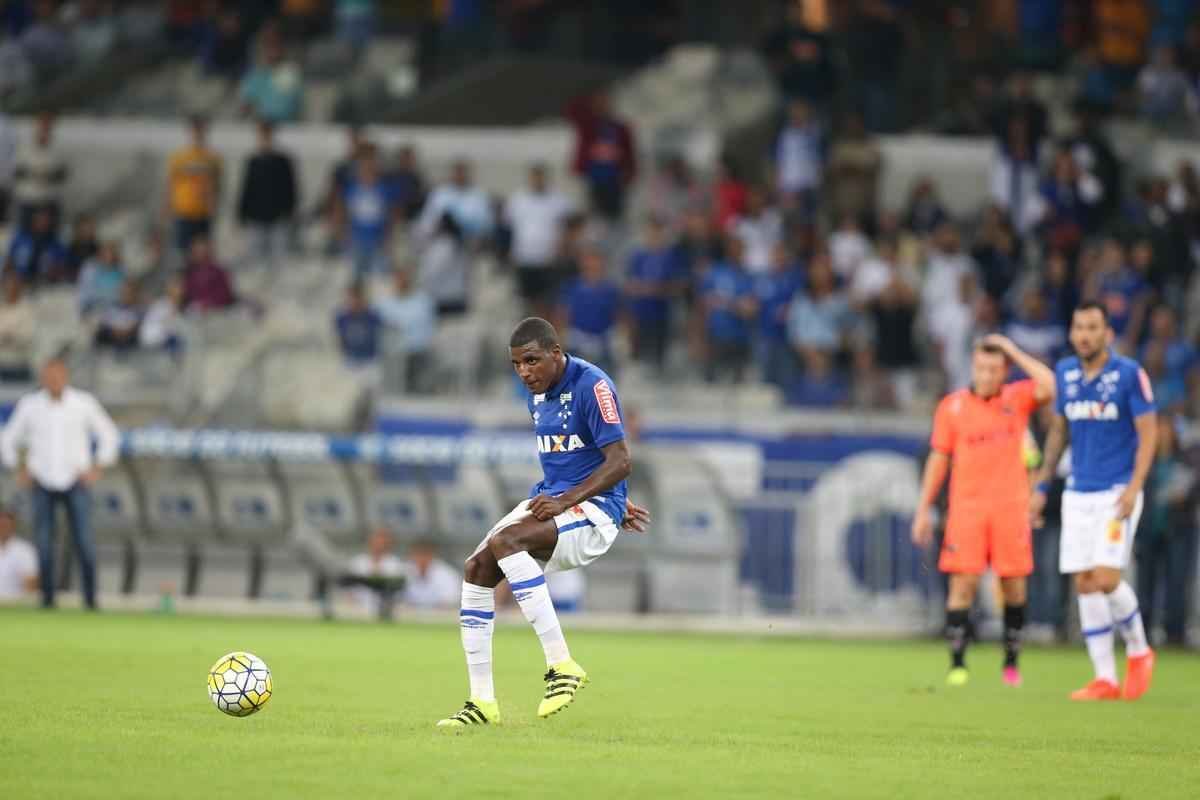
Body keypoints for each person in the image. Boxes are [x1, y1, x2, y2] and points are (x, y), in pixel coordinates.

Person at [436, 317, 650, 727]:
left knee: (508, 542)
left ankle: (562, 664)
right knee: (476, 568)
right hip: (558, 500)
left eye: (531, 360)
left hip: (588, 512)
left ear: (556, 352)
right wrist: (569, 497)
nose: (524, 372)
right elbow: (577, 457)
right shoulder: (535, 395)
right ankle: (482, 703)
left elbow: (621, 460)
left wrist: (590, 501)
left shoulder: (593, 385)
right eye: (516, 364)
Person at [1029, 302, 1158, 701]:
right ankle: (1105, 677)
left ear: (1108, 334)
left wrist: (1135, 485)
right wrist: (1041, 484)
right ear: (1071, 334)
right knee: (1085, 583)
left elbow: (1149, 433)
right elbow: (1058, 432)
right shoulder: (1066, 374)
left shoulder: (1129, 375)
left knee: (1106, 576)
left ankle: (1139, 651)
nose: (1085, 334)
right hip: (1077, 491)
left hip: (1116, 491)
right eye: (1079, 327)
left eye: (1092, 327)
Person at [912, 335, 1056, 687]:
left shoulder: (1016, 399)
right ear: (972, 367)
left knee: (1014, 588)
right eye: (981, 367)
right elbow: (938, 458)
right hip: (967, 510)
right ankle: (958, 664)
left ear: (1004, 370)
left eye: (995, 368)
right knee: (963, 584)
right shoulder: (952, 407)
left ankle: (1011, 663)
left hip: (1010, 510)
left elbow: (1050, 386)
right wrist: (923, 508)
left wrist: (1013, 350)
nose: (987, 375)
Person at [0, 357, 120, 610]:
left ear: (65, 376)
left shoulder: (83, 403)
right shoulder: (30, 405)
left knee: (84, 541)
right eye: (49, 376)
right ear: (43, 378)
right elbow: (8, 437)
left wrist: (98, 466)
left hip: (75, 480)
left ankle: (90, 598)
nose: (53, 380)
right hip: (42, 480)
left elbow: (108, 433)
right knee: (44, 543)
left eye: (57, 375)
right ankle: (48, 599)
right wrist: (18, 468)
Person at [1135, 414, 1198, 647]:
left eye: (1165, 429)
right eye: (1158, 430)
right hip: (1149, 529)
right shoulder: (1145, 462)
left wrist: (1184, 495)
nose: (1162, 435)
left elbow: (1192, 490)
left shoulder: (1187, 459)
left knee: (1177, 582)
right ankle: (1142, 632)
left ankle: (1175, 632)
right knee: (1145, 583)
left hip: (1178, 530)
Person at [505, 163, 572, 317]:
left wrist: (563, 245)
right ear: (530, 179)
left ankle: (545, 333)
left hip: (547, 260)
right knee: (525, 301)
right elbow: (508, 228)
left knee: (546, 301)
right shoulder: (517, 200)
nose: (537, 180)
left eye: (540, 177)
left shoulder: (558, 200)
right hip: (524, 259)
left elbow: (570, 226)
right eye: (534, 177)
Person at [237, 120, 297, 272]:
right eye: (262, 134)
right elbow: (247, 189)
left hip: (277, 217)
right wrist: (242, 212)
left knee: (278, 260)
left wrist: (289, 211)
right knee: (255, 260)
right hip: (256, 217)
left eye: (267, 134)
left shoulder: (282, 161)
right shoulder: (253, 161)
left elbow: (290, 189)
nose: (264, 138)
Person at [568, 92, 637, 221]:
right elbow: (573, 112)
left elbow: (629, 153)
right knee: (592, 217)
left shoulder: (620, 127)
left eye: (605, 102)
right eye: (599, 103)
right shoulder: (588, 125)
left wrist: (630, 173)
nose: (603, 106)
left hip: (614, 180)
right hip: (592, 179)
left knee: (615, 217)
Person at [338, 144, 403, 279]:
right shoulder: (351, 189)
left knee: (379, 279)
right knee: (355, 279)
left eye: (370, 168)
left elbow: (391, 216)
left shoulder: (384, 190)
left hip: (378, 241)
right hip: (356, 241)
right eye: (363, 168)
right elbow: (344, 214)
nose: (367, 171)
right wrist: (344, 235)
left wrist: (388, 239)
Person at [558, 247, 621, 375]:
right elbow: (562, 314)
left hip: (603, 339)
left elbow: (619, 316)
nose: (592, 265)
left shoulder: (611, 289)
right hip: (577, 338)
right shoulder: (571, 287)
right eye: (589, 261)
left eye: (596, 261)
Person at [166, 116, 222, 252]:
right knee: (182, 251)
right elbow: (170, 184)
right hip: (183, 211)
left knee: (202, 253)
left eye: (200, 130)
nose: (198, 134)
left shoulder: (213, 158)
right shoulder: (179, 157)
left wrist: (214, 204)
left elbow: (218, 185)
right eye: (195, 130)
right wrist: (167, 207)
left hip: (203, 212)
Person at [11, 111, 67, 230]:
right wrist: (34, 174)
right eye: (42, 126)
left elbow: (63, 174)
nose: (44, 130)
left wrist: (48, 175)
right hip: (29, 199)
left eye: (47, 126)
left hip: (50, 200)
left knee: (50, 236)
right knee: (25, 234)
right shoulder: (25, 148)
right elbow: (17, 171)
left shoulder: (58, 149)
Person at [238, 27, 303, 123]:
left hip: (285, 126)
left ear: (282, 48)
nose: (272, 51)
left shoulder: (291, 71)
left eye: (275, 46)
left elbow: (287, 106)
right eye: (268, 46)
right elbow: (246, 103)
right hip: (259, 124)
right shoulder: (255, 73)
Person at [346, 527, 406, 617]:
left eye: (383, 541)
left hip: (386, 610)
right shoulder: (358, 562)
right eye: (377, 540)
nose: (379, 544)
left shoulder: (395, 564)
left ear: (389, 543)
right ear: (370, 541)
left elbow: (399, 592)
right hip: (358, 609)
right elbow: (348, 589)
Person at [181, 236, 236, 312]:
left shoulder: (219, 272)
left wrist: (206, 304)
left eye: (203, 251)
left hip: (216, 313)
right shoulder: (188, 274)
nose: (200, 254)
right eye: (197, 251)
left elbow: (225, 295)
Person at [403, 539, 459, 609]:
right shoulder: (404, 571)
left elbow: (451, 601)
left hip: (438, 614)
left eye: (424, 554)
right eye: (417, 554)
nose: (421, 559)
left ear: (431, 555)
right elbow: (397, 599)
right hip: (409, 613)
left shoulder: (447, 574)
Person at [0, 504, 38, 600]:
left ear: (13, 524)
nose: (3, 526)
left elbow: (31, 583)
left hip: (16, 602)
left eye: (6, 523)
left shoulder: (25, 550)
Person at [0, 275, 34, 382]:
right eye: (7, 288)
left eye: (13, 288)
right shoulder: (1, 309)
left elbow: (28, 336)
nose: (10, 291)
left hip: (20, 364)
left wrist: (9, 336)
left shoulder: (27, 310)